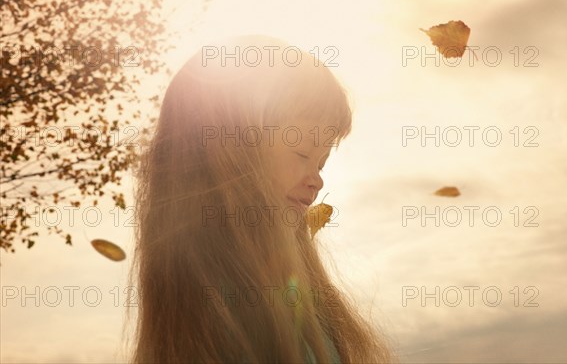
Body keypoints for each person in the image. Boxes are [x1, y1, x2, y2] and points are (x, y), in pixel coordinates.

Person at [124, 35, 394, 363]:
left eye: (322, 163)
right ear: (231, 153)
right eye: (302, 153)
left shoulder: (305, 304)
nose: (318, 180)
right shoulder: (219, 310)